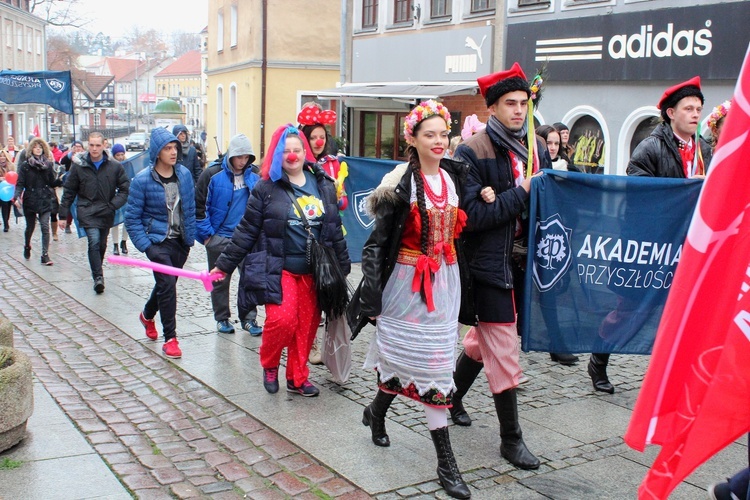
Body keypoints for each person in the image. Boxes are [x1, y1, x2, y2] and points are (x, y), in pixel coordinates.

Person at [357, 100, 471, 499]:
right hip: (406, 284)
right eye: (430, 135)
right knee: (414, 362)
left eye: (444, 134)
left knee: (434, 363)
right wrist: (371, 297)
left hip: (445, 281)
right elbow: (377, 245)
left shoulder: (455, 177)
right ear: (413, 139)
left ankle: (376, 412)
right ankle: (445, 463)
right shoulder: (399, 183)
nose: (439, 141)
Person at [450, 62, 544, 470]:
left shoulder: (534, 148)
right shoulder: (472, 150)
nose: (519, 111)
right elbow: (471, 217)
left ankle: (452, 397)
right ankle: (511, 439)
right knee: (504, 350)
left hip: (524, 265)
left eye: (524, 103)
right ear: (492, 108)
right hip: (488, 267)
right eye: (510, 103)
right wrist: (520, 194)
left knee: (480, 341)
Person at [210, 125, 350, 397]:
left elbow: (334, 229)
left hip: (315, 272)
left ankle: (298, 378)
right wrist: (224, 265)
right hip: (280, 269)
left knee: (307, 327)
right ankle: (270, 362)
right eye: (286, 151)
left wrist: (341, 270)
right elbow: (246, 230)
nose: (292, 155)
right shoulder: (265, 188)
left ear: (304, 152)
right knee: (283, 320)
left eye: (297, 150)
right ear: (277, 154)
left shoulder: (323, 184)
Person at [125, 128, 196, 359]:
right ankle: (171, 338)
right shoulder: (142, 180)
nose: (173, 152)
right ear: (157, 152)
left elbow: (190, 209)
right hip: (157, 242)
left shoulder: (184, 175)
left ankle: (147, 315)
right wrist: (147, 246)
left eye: (174, 147)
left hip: (180, 243)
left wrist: (190, 240)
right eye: (167, 148)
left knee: (166, 284)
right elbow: (132, 218)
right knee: (167, 285)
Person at [195, 134, 262, 335]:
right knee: (219, 280)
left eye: (246, 157)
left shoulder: (255, 175)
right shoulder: (212, 174)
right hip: (220, 237)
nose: (242, 161)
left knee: (250, 280)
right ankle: (222, 318)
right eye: (239, 156)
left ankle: (249, 319)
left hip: (246, 237)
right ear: (231, 155)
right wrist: (208, 237)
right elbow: (199, 206)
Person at [298, 103, 348, 364]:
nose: (318, 141)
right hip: (303, 236)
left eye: (322, 136)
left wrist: (339, 198)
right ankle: (310, 343)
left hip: (328, 233)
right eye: (313, 136)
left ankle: (321, 343)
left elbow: (342, 203)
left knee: (325, 291)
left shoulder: (331, 165)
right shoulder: (296, 163)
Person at [58, 132, 130, 294]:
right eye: (91, 145)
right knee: (94, 241)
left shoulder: (114, 167)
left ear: (104, 145)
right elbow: (69, 191)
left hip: (106, 210)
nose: (95, 149)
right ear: (87, 145)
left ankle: (97, 268)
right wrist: (63, 215)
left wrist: (113, 205)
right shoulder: (79, 166)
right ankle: (98, 277)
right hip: (86, 209)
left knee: (102, 244)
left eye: (98, 145)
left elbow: (125, 189)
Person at [13, 138, 61, 265]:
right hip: (31, 199)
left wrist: (61, 179)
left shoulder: (48, 165)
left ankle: (45, 255)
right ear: (31, 149)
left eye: (40, 146)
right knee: (30, 227)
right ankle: (27, 245)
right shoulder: (26, 166)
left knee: (45, 226)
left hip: (45, 198)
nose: (38, 149)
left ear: (44, 149)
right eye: (35, 147)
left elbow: (51, 182)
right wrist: (16, 197)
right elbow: (20, 184)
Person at [59, 140, 86, 233]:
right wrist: (71, 155)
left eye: (79, 146)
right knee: (70, 204)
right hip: (71, 183)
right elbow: (62, 162)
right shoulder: (69, 156)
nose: (78, 148)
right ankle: (68, 223)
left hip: (83, 185)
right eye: (76, 146)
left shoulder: (85, 157)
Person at [109, 144, 130, 255]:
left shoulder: (127, 164)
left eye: (122, 154)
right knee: (115, 222)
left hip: (126, 195)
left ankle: (124, 241)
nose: (121, 157)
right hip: (114, 196)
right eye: (118, 155)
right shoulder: (111, 165)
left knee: (127, 220)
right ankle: (115, 244)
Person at [0, 150, 16, 232]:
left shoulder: (11, 165)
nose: (2, 157)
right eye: (1, 156)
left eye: (3, 156)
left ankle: (6, 222)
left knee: (7, 206)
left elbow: (14, 176)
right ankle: (5, 223)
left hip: (8, 190)